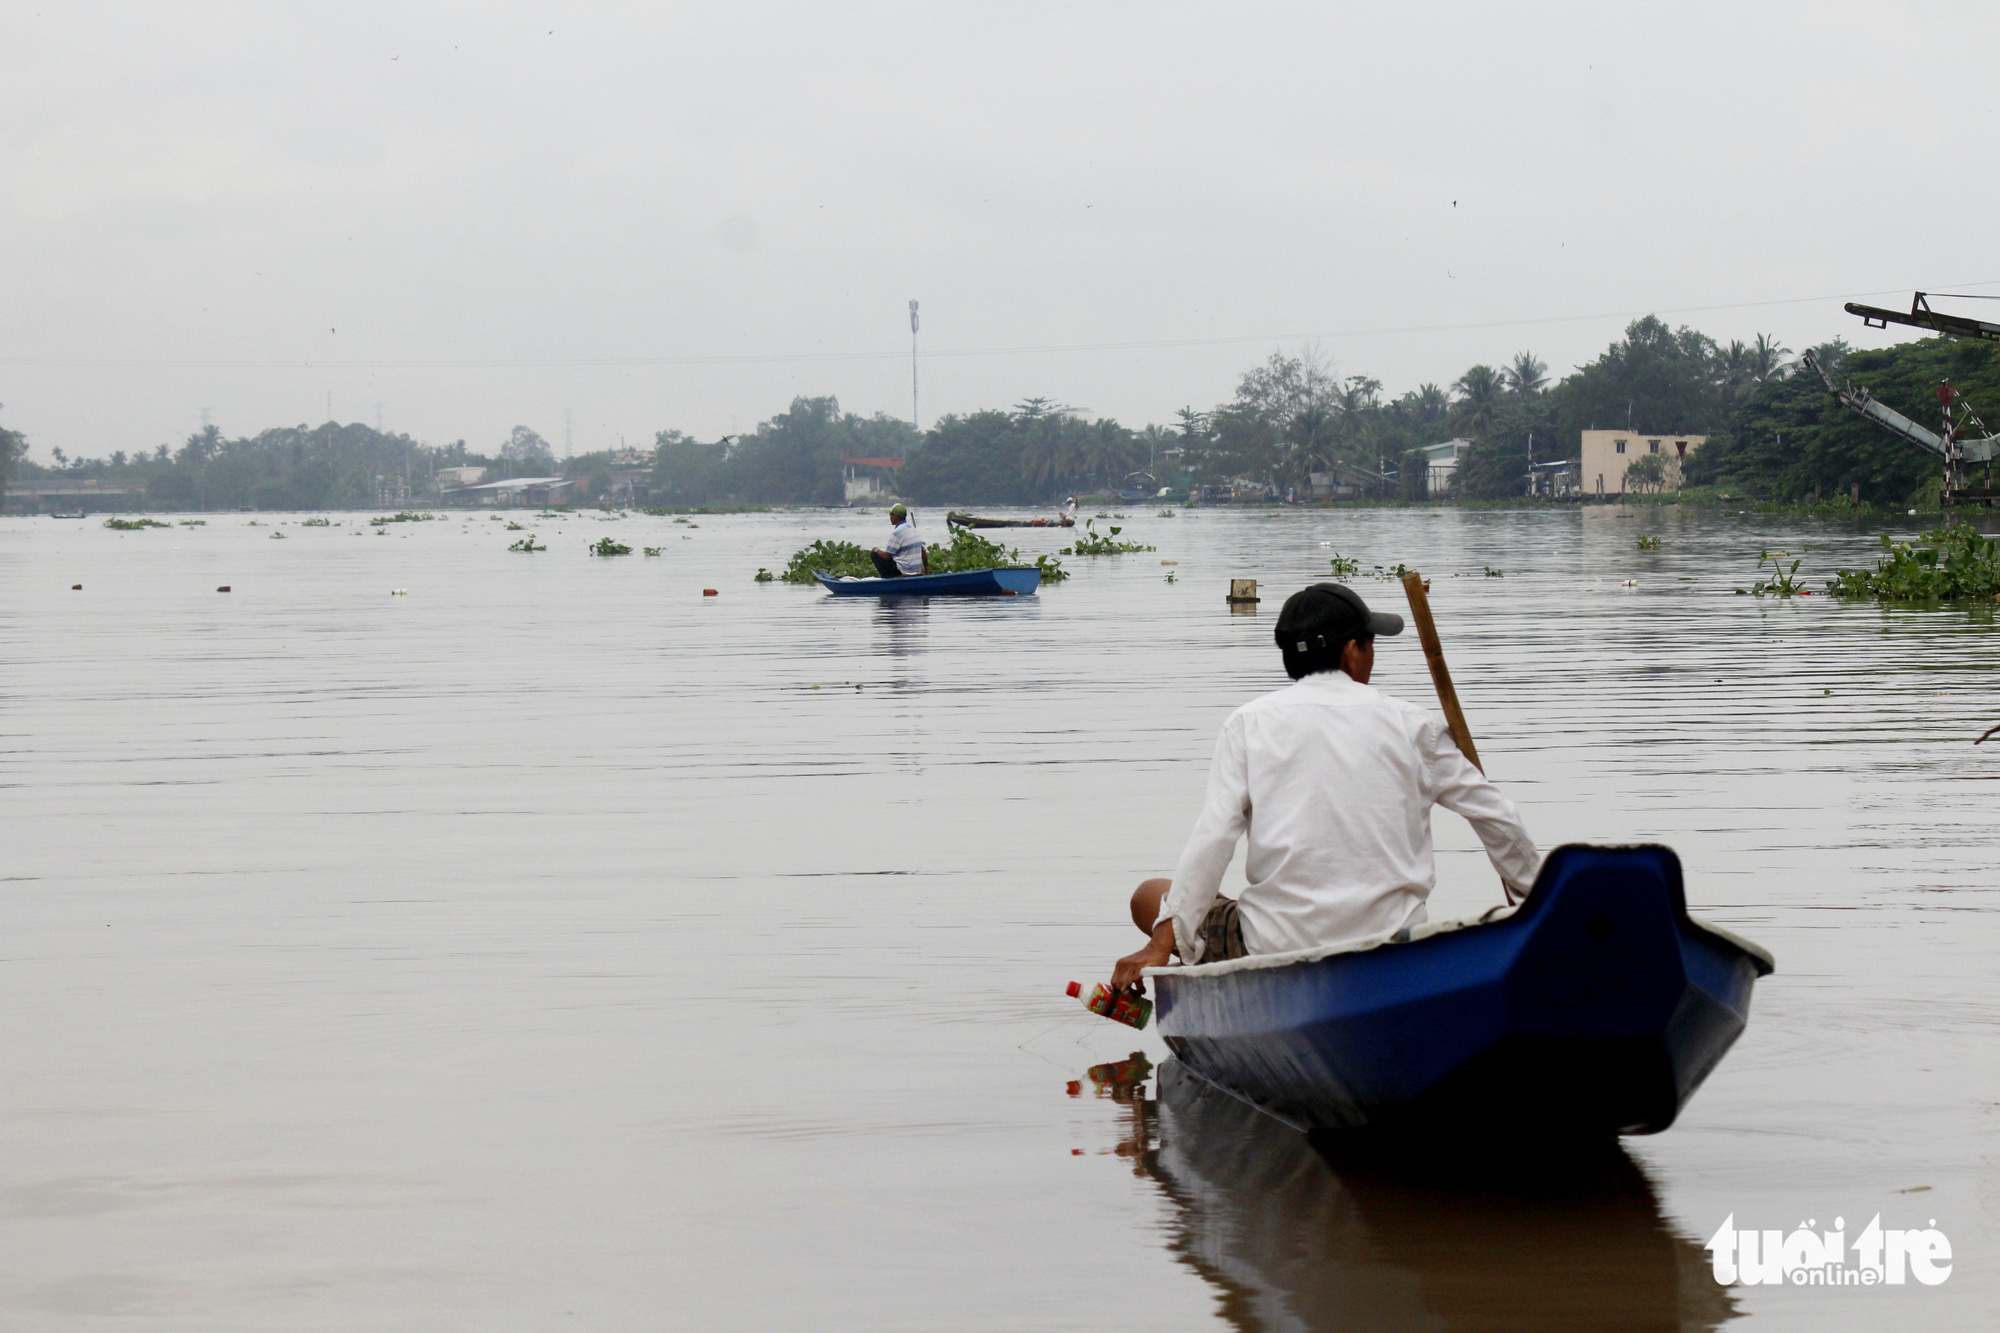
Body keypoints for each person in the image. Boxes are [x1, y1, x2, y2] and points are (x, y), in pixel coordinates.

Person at [1111, 582, 1538, 987]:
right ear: (1353, 651)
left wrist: (1161, 944)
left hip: (1274, 946)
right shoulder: (1413, 724)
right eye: (1370, 645)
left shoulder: (1248, 724)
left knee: (1150, 895)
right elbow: (1498, 816)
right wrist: (1534, 901)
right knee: (1159, 897)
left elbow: (1214, 838)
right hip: (1392, 947)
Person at [870, 503, 929, 578]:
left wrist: (876, 549)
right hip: (916, 570)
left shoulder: (897, 532)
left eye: (891, 514)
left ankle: (889, 579)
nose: (890, 517)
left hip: (903, 571)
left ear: (895, 516)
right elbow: (923, 551)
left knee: (874, 555)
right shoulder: (913, 529)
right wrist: (926, 568)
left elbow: (887, 556)